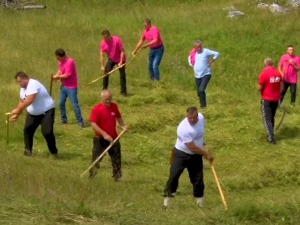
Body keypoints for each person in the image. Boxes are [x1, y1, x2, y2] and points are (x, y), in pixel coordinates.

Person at [163, 107, 214, 208]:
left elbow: (201, 132)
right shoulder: (183, 128)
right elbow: (192, 148)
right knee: (174, 176)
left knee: (198, 179)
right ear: (187, 116)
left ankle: (200, 205)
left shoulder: (202, 118)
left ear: (197, 116)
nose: (192, 120)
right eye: (189, 118)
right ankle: (166, 204)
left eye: (194, 118)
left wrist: (202, 142)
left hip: (196, 156)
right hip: (181, 154)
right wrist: (206, 154)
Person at [10, 71, 58, 156]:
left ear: (25, 79)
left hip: (46, 111)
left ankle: (54, 152)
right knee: (28, 130)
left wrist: (17, 110)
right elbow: (22, 101)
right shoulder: (23, 89)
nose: (19, 84)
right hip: (33, 114)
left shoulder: (33, 84)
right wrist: (17, 114)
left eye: (20, 81)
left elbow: (30, 100)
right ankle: (28, 151)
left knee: (47, 132)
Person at [89, 89, 127, 180]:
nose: (108, 101)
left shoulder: (114, 106)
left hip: (114, 138)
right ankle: (92, 176)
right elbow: (93, 124)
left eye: (109, 99)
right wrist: (104, 134)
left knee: (116, 159)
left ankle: (117, 177)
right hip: (100, 139)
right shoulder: (97, 109)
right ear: (102, 98)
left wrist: (123, 126)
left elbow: (118, 117)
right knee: (97, 159)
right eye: (106, 99)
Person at [52, 49, 84, 127]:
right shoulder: (60, 61)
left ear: (61, 56)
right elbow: (61, 69)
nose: (57, 59)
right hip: (64, 86)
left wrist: (57, 77)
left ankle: (80, 122)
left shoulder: (70, 62)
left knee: (75, 105)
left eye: (57, 57)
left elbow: (67, 75)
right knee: (61, 103)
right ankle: (64, 120)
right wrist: (56, 76)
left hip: (71, 87)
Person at [257, 58, 283, 144]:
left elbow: (259, 88)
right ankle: (272, 133)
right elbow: (281, 87)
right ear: (273, 64)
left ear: (265, 65)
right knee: (272, 117)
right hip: (276, 99)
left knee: (266, 118)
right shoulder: (278, 73)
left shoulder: (264, 74)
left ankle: (271, 138)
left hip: (267, 99)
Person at [188, 40, 220, 109]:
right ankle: (202, 102)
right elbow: (190, 59)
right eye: (197, 47)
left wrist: (211, 61)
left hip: (206, 74)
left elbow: (217, 54)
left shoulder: (206, 51)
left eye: (200, 47)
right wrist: (192, 65)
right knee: (199, 92)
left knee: (201, 90)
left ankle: (203, 106)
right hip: (197, 75)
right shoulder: (193, 53)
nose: (199, 49)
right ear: (195, 48)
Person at [100, 30, 127, 96]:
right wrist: (102, 66)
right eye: (104, 38)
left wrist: (120, 62)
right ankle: (104, 90)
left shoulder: (117, 40)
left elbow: (122, 51)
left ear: (109, 35)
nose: (105, 39)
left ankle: (123, 92)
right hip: (111, 59)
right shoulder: (103, 43)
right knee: (106, 74)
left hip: (120, 58)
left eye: (106, 37)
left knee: (122, 75)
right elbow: (101, 55)